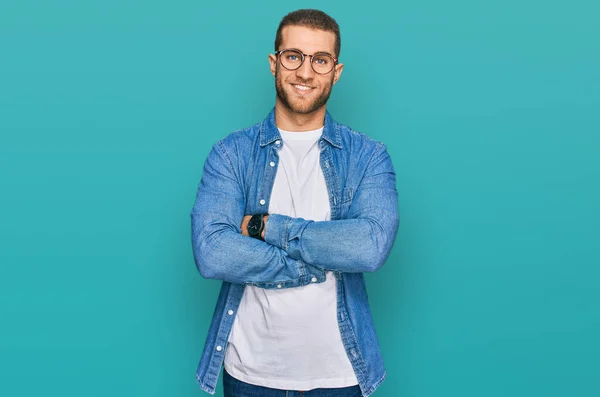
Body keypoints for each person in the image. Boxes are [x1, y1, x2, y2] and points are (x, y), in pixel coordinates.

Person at [191, 9, 399, 397]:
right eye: (294, 56)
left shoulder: (368, 157)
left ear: (335, 72)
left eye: (320, 60)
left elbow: (369, 247)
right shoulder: (231, 154)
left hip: (338, 377)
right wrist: (309, 264)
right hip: (249, 375)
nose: (305, 72)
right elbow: (212, 252)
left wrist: (267, 226)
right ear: (275, 63)